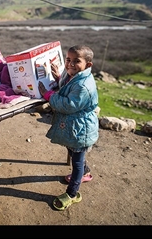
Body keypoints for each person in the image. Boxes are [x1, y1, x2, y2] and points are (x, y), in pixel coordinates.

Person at [38, 45, 99, 211]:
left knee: (77, 162)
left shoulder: (84, 85)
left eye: (76, 61)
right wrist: (59, 76)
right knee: (73, 152)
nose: (71, 64)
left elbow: (68, 104)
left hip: (81, 130)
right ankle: (85, 172)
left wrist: (48, 95)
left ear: (88, 65)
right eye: (68, 60)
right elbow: (68, 88)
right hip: (74, 128)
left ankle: (72, 194)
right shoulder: (76, 76)